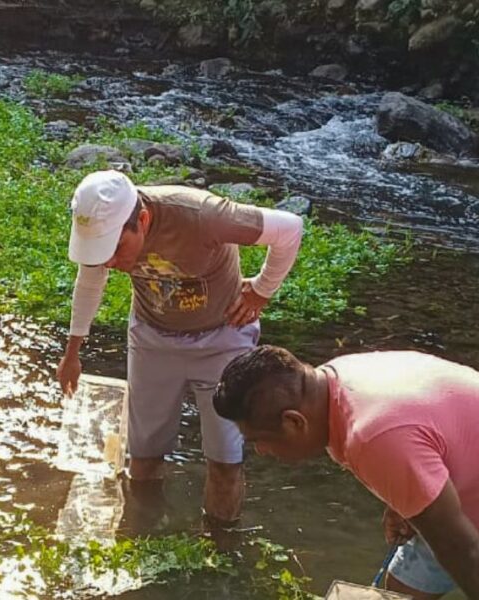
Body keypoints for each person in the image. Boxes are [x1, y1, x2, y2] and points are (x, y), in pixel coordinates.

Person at [56, 170, 304, 529]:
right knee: (142, 456)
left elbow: (290, 228)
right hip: (152, 338)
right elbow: (90, 281)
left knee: (225, 459)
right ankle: (142, 538)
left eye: (115, 248)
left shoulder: (202, 215)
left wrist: (262, 290)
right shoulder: (102, 226)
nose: (108, 261)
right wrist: (72, 351)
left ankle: (219, 551)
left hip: (223, 338)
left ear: (141, 220)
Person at [214, 345, 479, 599]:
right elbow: (425, 432)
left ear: (294, 422)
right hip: (469, 495)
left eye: (259, 441)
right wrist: (406, 499)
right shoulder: (334, 381)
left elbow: (461, 548)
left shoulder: (371, 434)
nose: (261, 452)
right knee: (398, 591)